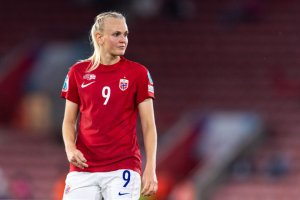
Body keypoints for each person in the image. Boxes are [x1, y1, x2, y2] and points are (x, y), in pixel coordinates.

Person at [60, 11, 158, 199]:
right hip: (83, 167)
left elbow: (149, 126)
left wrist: (150, 167)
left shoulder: (138, 73)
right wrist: (70, 149)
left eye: (126, 34)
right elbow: (68, 121)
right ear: (100, 37)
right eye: (116, 34)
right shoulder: (77, 72)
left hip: (123, 166)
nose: (124, 40)